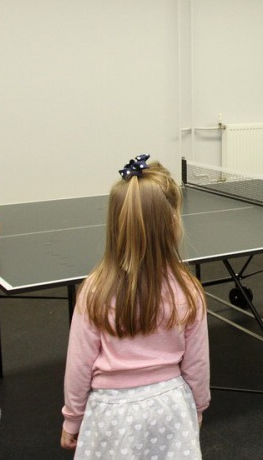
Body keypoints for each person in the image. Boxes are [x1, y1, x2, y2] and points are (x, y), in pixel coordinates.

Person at [61, 155, 209, 458]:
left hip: (110, 412)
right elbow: (197, 364)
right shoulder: (188, 289)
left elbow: (78, 364)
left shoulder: (94, 289)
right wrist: (197, 406)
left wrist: (72, 419)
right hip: (170, 408)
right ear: (172, 224)